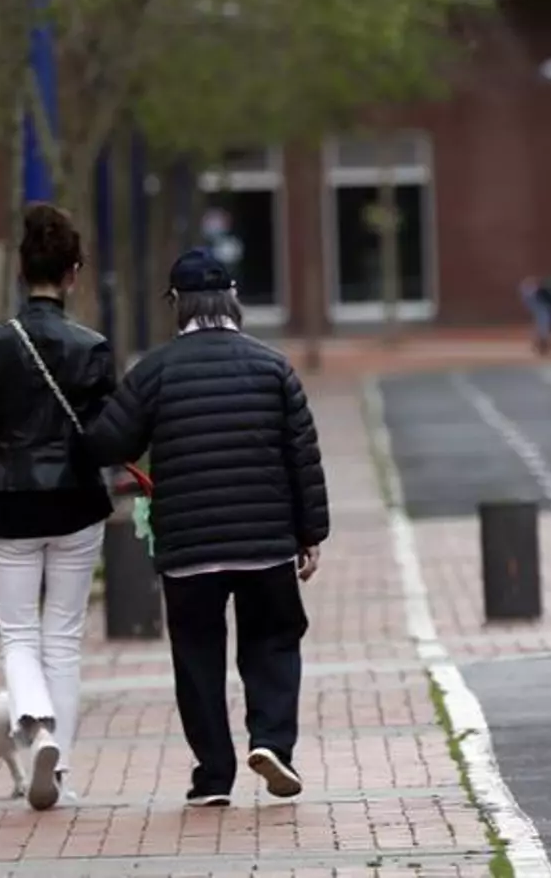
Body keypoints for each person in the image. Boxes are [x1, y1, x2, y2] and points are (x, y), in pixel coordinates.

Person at [84, 249, 330, 808]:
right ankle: (271, 743)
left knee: (197, 654)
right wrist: (310, 532)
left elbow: (108, 443)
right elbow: (303, 457)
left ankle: (214, 776)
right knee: (273, 641)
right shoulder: (272, 367)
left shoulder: (154, 371)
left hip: (188, 546)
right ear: (233, 297)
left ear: (176, 302)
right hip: (266, 542)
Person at [0, 203, 115, 812]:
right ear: (73, 273)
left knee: (17, 633)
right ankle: (58, 767)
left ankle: (36, 726)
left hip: (8, 500)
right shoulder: (92, 348)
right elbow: (107, 431)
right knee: (63, 636)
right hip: (76, 500)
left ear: (20, 270)